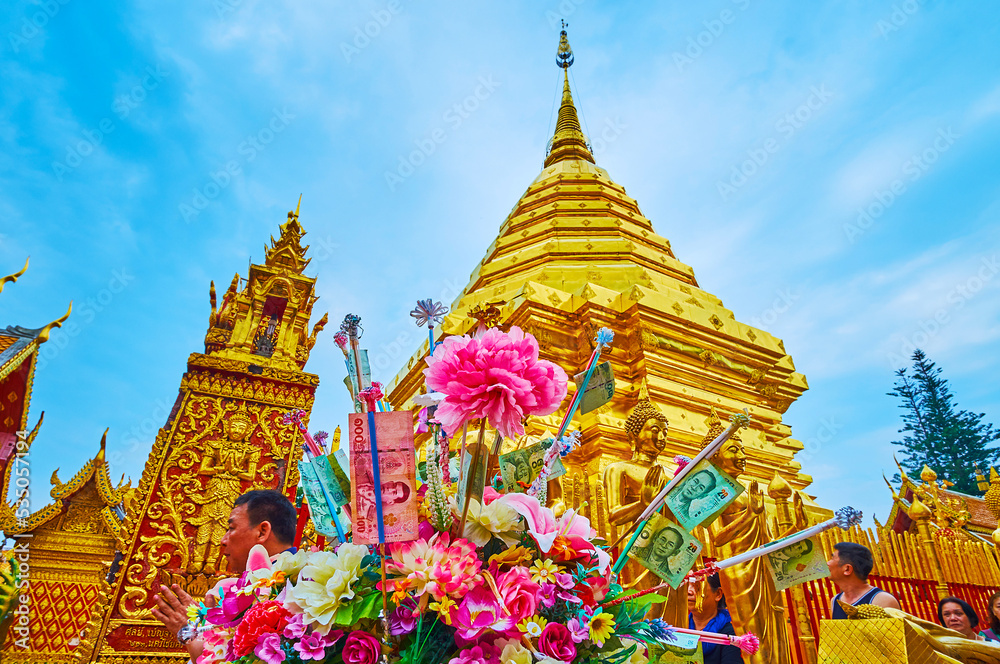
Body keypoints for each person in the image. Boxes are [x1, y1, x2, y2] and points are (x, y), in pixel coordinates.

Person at [151, 489, 298, 662]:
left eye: (231, 528)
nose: (223, 540)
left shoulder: (285, 591)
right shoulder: (308, 579)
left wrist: (189, 631)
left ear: (262, 532)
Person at [827, 541, 901, 618]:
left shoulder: (882, 601)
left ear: (847, 569)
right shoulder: (835, 601)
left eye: (832, 558)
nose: (828, 563)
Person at [688, 574, 742, 664]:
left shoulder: (732, 633)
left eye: (698, 586)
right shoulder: (677, 627)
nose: (689, 591)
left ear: (718, 594)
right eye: (687, 586)